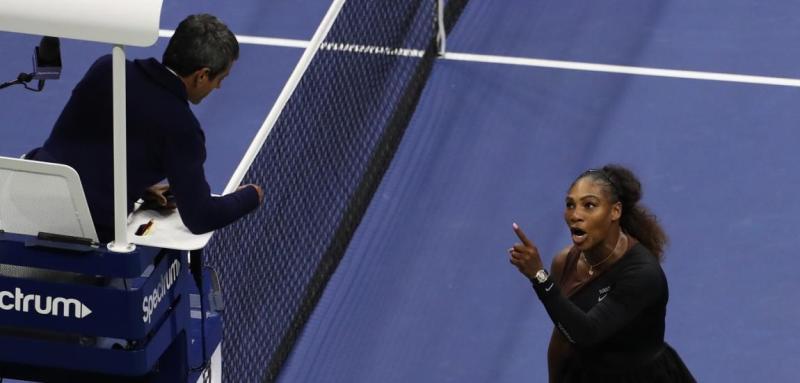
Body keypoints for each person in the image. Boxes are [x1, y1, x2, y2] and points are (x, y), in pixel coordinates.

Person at [28, 14, 263, 243]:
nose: (219, 87)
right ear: (201, 76)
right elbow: (201, 216)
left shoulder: (107, 68)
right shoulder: (182, 127)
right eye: (220, 78)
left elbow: (91, 147)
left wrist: (137, 187)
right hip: (84, 231)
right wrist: (251, 195)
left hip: (27, 200)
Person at [508, 165, 695, 382]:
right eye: (570, 205)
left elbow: (587, 333)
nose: (575, 215)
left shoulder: (642, 274)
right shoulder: (565, 261)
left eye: (589, 205)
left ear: (615, 211)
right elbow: (563, 335)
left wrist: (540, 277)